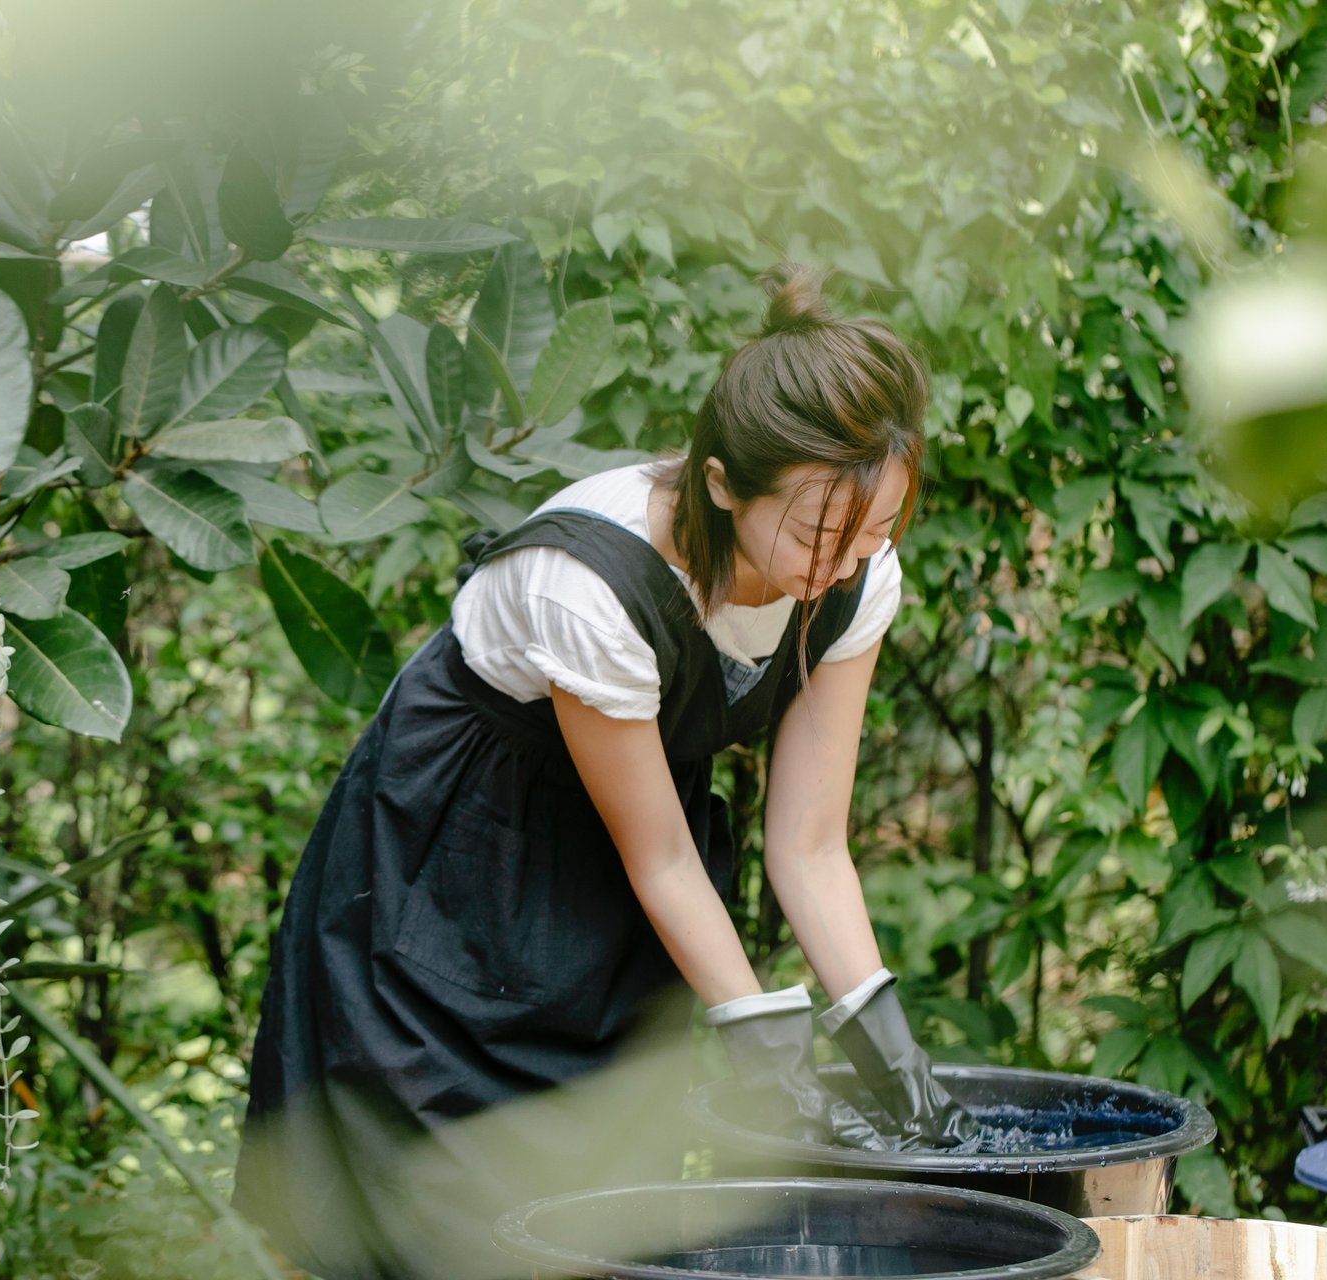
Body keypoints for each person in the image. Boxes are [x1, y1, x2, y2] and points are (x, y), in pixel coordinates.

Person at [233, 264, 978, 1280]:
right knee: (436, 1216)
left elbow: (808, 841)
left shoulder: (853, 577)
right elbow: (664, 853)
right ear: (721, 483)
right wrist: (767, 1038)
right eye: (817, 532)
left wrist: (880, 1034)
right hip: (458, 866)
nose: (844, 560)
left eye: (876, 529)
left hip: (616, 884)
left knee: (608, 1212)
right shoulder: (592, 581)